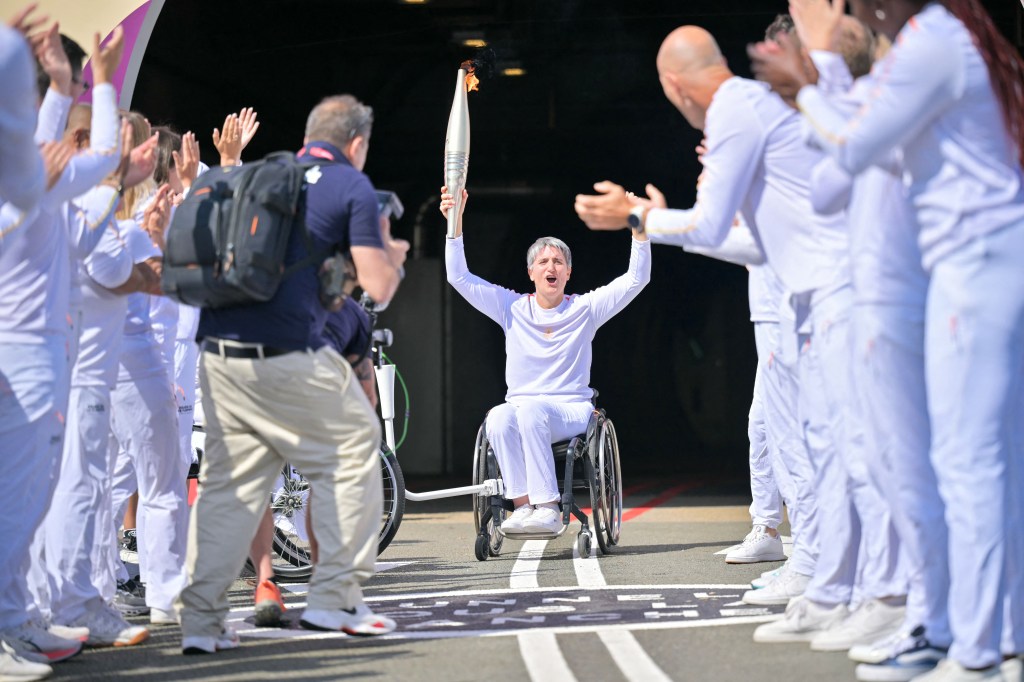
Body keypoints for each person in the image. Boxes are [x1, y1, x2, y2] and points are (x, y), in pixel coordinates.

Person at [575, 24, 907, 644]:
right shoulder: (758, 115)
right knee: (812, 442)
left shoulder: (737, 109)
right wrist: (662, 219)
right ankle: (828, 580)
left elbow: (709, 226)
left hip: (827, 298)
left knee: (846, 449)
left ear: (673, 85)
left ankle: (876, 595)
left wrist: (639, 216)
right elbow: (751, 239)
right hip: (808, 299)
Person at [750, 0, 1024, 678]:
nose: (843, 8)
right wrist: (820, 89)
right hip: (963, 269)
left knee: (965, 465)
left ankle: (980, 647)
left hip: (973, 265)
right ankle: (972, 635)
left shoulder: (932, 41)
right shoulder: (929, 44)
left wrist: (809, 83)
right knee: (965, 465)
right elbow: (834, 175)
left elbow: (854, 147)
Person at [178, 94, 406, 653]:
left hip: (217, 351)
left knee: (230, 486)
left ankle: (201, 623)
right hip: (284, 352)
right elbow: (376, 285)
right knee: (357, 445)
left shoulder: (260, 174)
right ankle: (334, 600)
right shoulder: (349, 183)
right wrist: (394, 256)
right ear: (356, 143)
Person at [442, 187, 650, 535]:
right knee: (498, 417)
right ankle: (522, 506)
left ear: (568, 273)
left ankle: (549, 508)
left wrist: (638, 227)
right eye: (543, 262)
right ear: (531, 273)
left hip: (571, 410)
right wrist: (455, 220)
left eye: (558, 262)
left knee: (531, 412)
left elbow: (636, 279)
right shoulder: (511, 308)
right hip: (525, 408)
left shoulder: (584, 309)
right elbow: (459, 278)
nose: (550, 267)